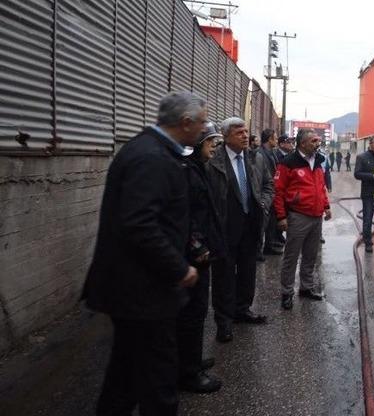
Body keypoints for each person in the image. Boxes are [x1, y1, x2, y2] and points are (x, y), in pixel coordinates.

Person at [82, 91, 205, 416]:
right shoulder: (152, 158)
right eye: (202, 122)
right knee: (158, 380)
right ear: (186, 122)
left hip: (134, 290)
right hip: (143, 292)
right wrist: (179, 269)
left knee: (124, 375)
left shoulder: (150, 150)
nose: (205, 129)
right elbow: (139, 225)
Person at [208, 117, 273, 343]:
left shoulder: (256, 158)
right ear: (225, 137)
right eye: (239, 133)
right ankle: (224, 321)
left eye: (246, 131)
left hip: (251, 225)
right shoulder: (214, 161)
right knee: (224, 276)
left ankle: (242, 309)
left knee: (247, 271)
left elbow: (268, 184)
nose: (245, 136)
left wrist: (264, 205)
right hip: (225, 227)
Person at [177, 122, 224, 394]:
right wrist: (197, 247)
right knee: (193, 313)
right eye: (210, 144)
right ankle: (189, 372)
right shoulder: (188, 172)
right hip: (195, 253)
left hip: (203, 249)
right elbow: (187, 215)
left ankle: (191, 360)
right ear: (197, 144)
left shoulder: (198, 169)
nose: (214, 149)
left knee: (197, 311)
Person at [274, 128, 332, 310]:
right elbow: (278, 191)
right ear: (303, 143)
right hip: (298, 216)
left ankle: (306, 288)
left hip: (316, 216)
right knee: (291, 256)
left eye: (318, 141)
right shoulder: (288, 163)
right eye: (314, 141)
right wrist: (281, 216)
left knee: (310, 255)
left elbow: (321, 186)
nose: (317, 144)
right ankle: (287, 292)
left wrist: (326, 206)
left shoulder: (319, 160)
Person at [354, 136, 374, 253]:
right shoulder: (362, 157)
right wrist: (372, 176)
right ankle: (368, 243)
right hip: (368, 194)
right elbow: (357, 174)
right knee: (367, 219)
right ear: (370, 144)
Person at [257, 129, 280, 259]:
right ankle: (257, 251)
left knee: (271, 221)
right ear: (269, 139)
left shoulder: (272, 153)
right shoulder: (260, 154)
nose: (276, 141)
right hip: (265, 194)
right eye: (275, 139)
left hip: (272, 192)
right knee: (262, 223)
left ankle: (269, 246)